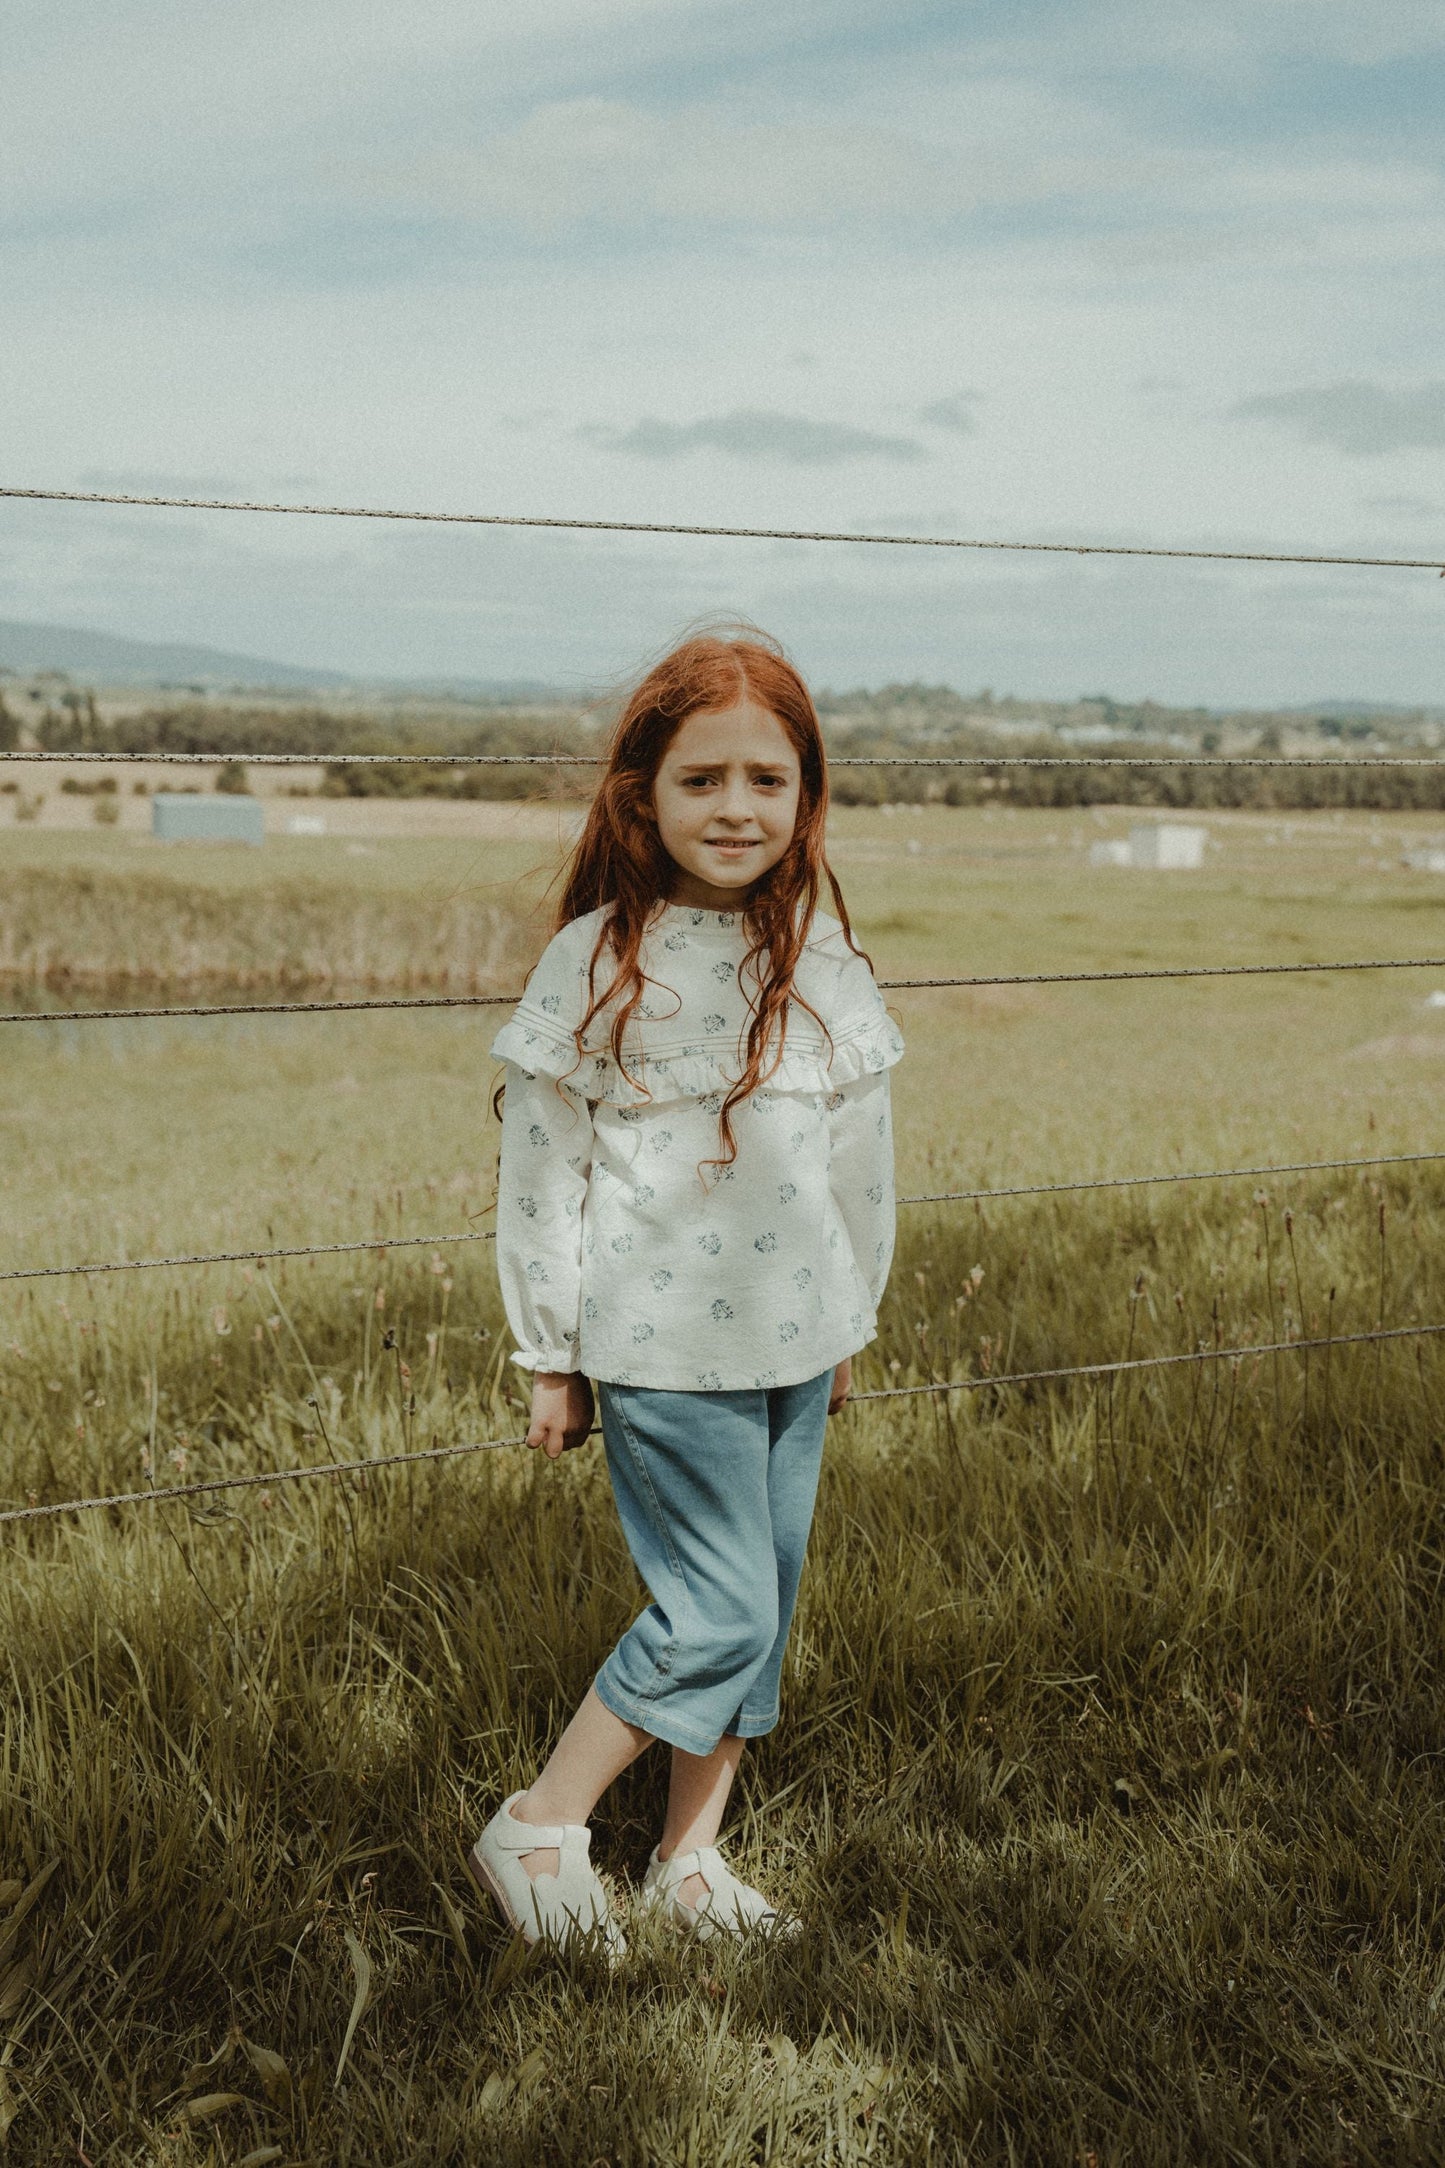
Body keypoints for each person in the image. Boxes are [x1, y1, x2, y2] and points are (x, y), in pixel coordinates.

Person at [466, 627, 903, 1955]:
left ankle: (688, 1858)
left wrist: (847, 1319)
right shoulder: (599, 958)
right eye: (701, 778)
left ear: (805, 798)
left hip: (797, 1339)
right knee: (712, 1611)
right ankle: (540, 1823)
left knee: (759, 1611)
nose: (734, 808)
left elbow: (858, 1166)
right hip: (656, 1348)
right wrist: (550, 1350)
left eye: (766, 781)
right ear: (640, 796)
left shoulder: (818, 960)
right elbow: (543, 1173)